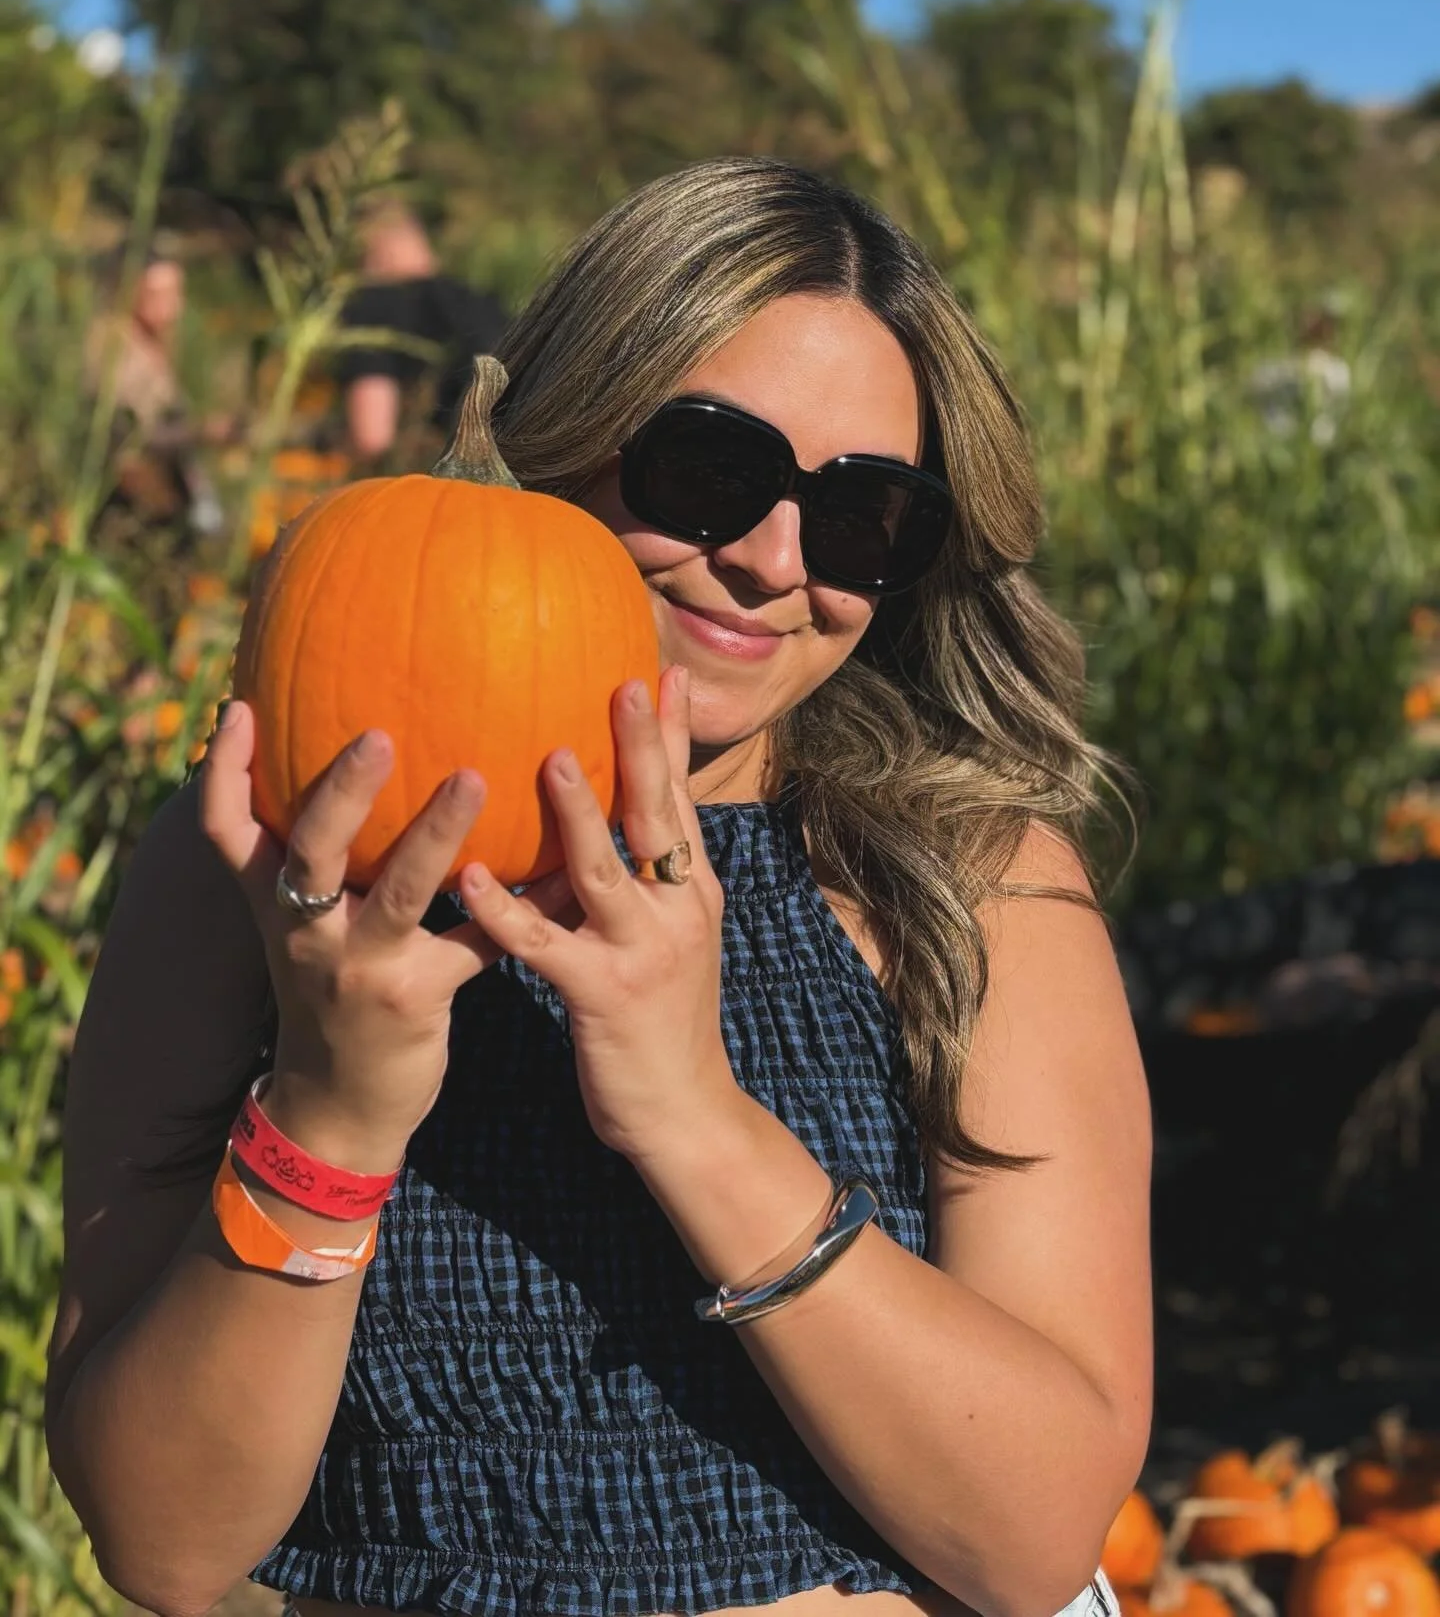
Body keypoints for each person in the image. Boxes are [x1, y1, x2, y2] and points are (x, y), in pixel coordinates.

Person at [48, 159, 1152, 1617]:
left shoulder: (968, 880)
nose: (769, 561)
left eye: (862, 516)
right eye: (711, 469)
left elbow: (1034, 1535)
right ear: (558, 428)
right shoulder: (264, 862)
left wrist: (692, 1111)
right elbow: (164, 1543)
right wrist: (330, 1105)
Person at [335, 203, 509, 462]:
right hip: (525, 465)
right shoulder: (483, 302)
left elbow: (372, 437)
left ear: (369, 255)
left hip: (456, 469)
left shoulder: (374, 305)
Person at [84, 247, 231, 534]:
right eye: (159, 294)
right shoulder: (112, 348)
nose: (174, 306)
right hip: (130, 500)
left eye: (177, 292)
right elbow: (128, 434)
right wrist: (202, 431)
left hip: (165, 494)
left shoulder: (155, 343)